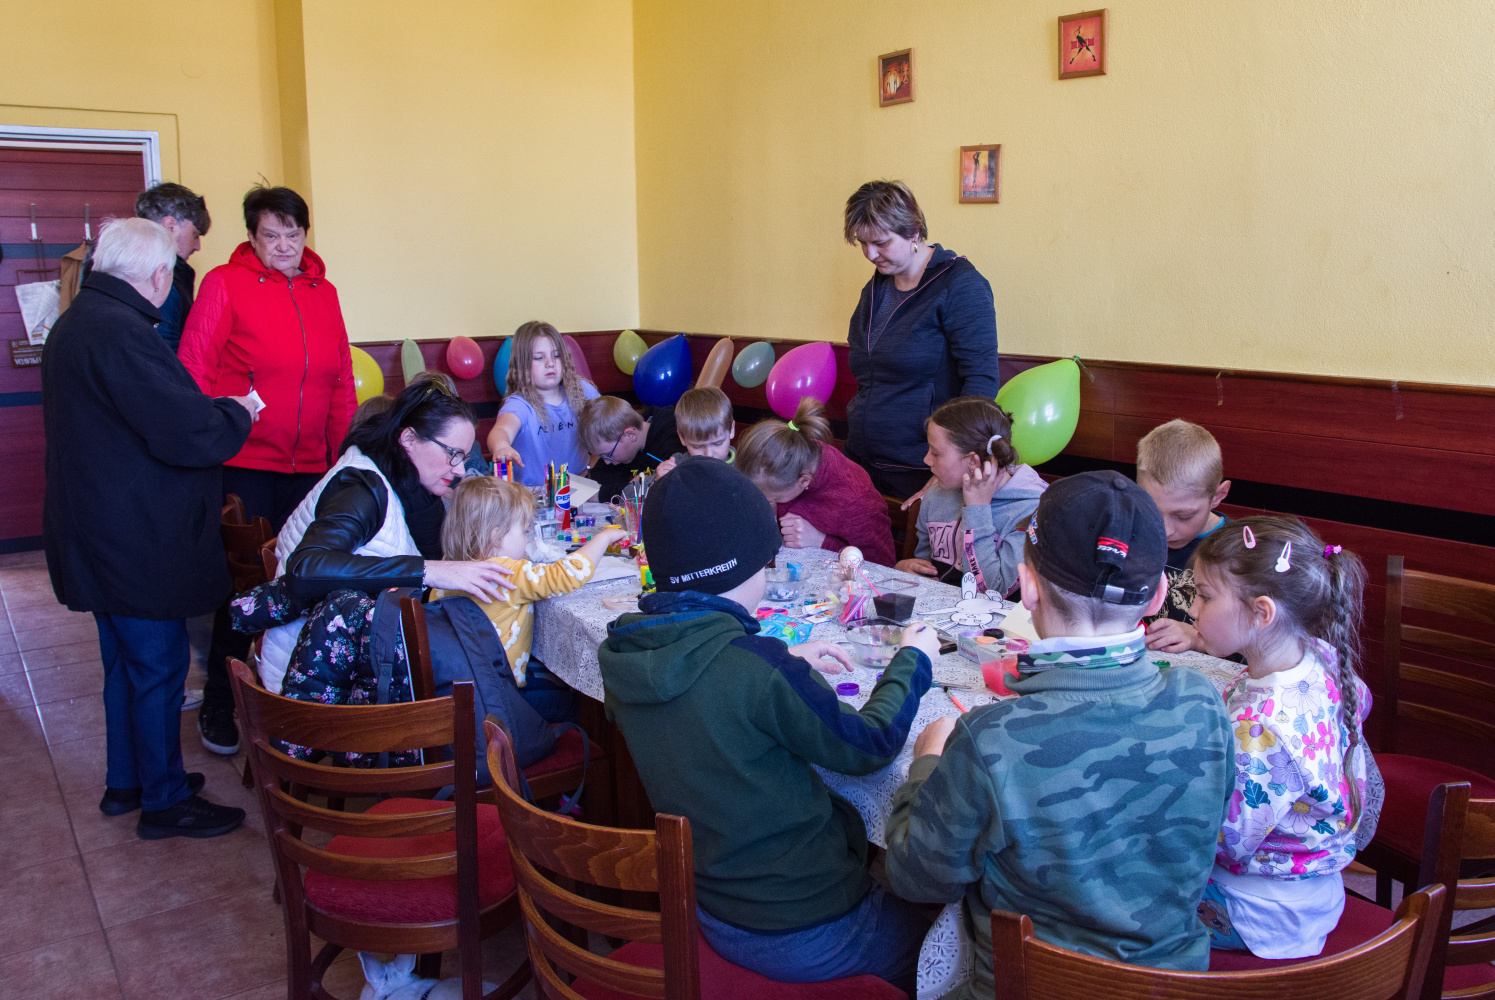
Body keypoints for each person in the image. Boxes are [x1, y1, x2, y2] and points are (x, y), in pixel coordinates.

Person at [884, 471, 1234, 998]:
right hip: (1175, 985)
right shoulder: (1204, 701)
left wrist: (927, 762)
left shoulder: (989, 739)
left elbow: (917, 878)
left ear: (1026, 586)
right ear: (1159, 595)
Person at [599, 457, 937, 993]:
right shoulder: (758, 671)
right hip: (805, 921)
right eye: (766, 562)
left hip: (710, 903)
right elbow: (871, 745)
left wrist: (776, 656)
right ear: (744, 569)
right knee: (945, 949)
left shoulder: (625, 652)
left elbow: (706, 681)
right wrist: (912, 662)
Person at [41, 217, 256, 839]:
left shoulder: (78, 321)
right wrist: (237, 413)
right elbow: (186, 432)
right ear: (160, 275)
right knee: (158, 668)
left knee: (125, 666)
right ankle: (164, 801)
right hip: (133, 536)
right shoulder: (124, 333)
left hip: (94, 527)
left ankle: (127, 783)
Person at [178, 185, 357, 755]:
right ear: (252, 238)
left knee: (306, 583)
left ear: (306, 235)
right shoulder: (224, 284)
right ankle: (221, 700)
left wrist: (346, 457)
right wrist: (205, 447)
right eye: (271, 235)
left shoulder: (325, 292)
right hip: (245, 463)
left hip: (312, 467)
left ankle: (296, 699)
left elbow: (341, 381)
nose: (283, 246)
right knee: (247, 588)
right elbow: (194, 369)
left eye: (292, 234)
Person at [243, 374, 513, 695]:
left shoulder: (395, 478)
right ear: (408, 439)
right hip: (313, 677)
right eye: (453, 454)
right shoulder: (361, 487)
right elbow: (306, 568)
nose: (459, 470)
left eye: (464, 458)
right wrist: (429, 570)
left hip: (343, 662)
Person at [1190, 517, 1371, 960]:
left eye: (1204, 596)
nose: (1192, 609)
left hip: (1257, 912)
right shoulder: (1320, 657)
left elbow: (1225, 843)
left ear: (1262, 613)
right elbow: (1361, 700)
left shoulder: (1261, 727)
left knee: (1112, 882)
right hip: (1314, 892)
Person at [842, 180, 1000, 500]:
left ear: (913, 232)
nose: (870, 254)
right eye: (863, 243)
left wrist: (947, 469)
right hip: (863, 459)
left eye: (881, 243)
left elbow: (981, 383)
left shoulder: (960, 285)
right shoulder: (875, 289)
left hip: (920, 467)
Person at [435, 476, 626, 723]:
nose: (527, 538)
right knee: (580, 705)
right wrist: (603, 538)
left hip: (466, 689)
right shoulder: (505, 572)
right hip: (500, 699)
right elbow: (567, 575)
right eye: (524, 531)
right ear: (496, 537)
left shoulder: (447, 568)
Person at [895, 396, 1046, 596]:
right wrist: (906, 570)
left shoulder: (1031, 512)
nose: (926, 459)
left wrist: (977, 509)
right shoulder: (935, 494)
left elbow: (994, 592)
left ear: (973, 461)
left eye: (936, 453)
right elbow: (923, 567)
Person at [735, 398, 895, 567]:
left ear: (804, 481)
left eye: (773, 498)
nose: (765, 501)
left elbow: (881, 565)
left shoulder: (855, 500)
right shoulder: (796, 450)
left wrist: (821, 541)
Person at [1135, 419, 1232, 653]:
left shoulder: (1238, 554)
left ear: (1218, 496)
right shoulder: (1128, 533)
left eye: (1183, 516)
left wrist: (1201, 640)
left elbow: (1255, 642)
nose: (1165, 530)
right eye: (1151, 510)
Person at [487, 321, 598, 487]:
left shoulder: (583, 390)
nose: (550, 363)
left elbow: (608, 424)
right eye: (539, 358)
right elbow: (502, 429)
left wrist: (592, 466)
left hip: (579, 487)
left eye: (556, 355)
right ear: (522, 365)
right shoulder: (519, 404)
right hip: (534, 493)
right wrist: (501, 446)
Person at [133, 182, 211, 352]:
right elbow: (164, 352)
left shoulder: (131, 271)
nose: (197, 246)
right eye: (195, 234)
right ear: (170, 226)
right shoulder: (162, 281)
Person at [577, 395, 684, 502]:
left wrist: (605, 494)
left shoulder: (674, 440)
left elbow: (666, 489)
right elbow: (595, 483)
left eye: (608, 455)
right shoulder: (620, 449)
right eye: (601, 456)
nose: (607, 462)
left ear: (630, 435)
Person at [654, 386, 736, 476]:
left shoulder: (743, 465)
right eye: (697, 446)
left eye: (717, 443)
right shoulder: (677, 464)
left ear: (731, 429)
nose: (708, 454)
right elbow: (644, 483)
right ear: (682, 438)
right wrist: (659, 480)